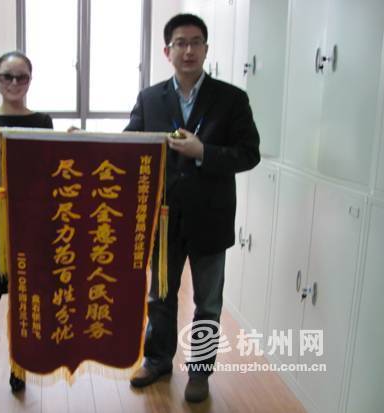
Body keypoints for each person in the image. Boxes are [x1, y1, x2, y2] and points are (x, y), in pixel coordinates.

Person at [126, 14, 260, 403]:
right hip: (164, 219)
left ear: (206, 49)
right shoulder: (150, 98)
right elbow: (129, 146)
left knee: (208, 304)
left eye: (196, 42)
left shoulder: (232, 99)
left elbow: (249, 153)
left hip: (211, 219)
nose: (188, 50)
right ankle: (157, 360)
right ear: (167, 51)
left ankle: (200, 373)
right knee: (160, 296)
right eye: (180, 43)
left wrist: (204, 152)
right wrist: (83, 143)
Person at [0, 51, 53, 392]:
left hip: (29, 221)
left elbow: (46, 173)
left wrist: (9, 149)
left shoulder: (42, 122)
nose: (14, 83)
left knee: (24, 298)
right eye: (7, 76)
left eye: (21, 77)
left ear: (30, 81)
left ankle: (20, 364)